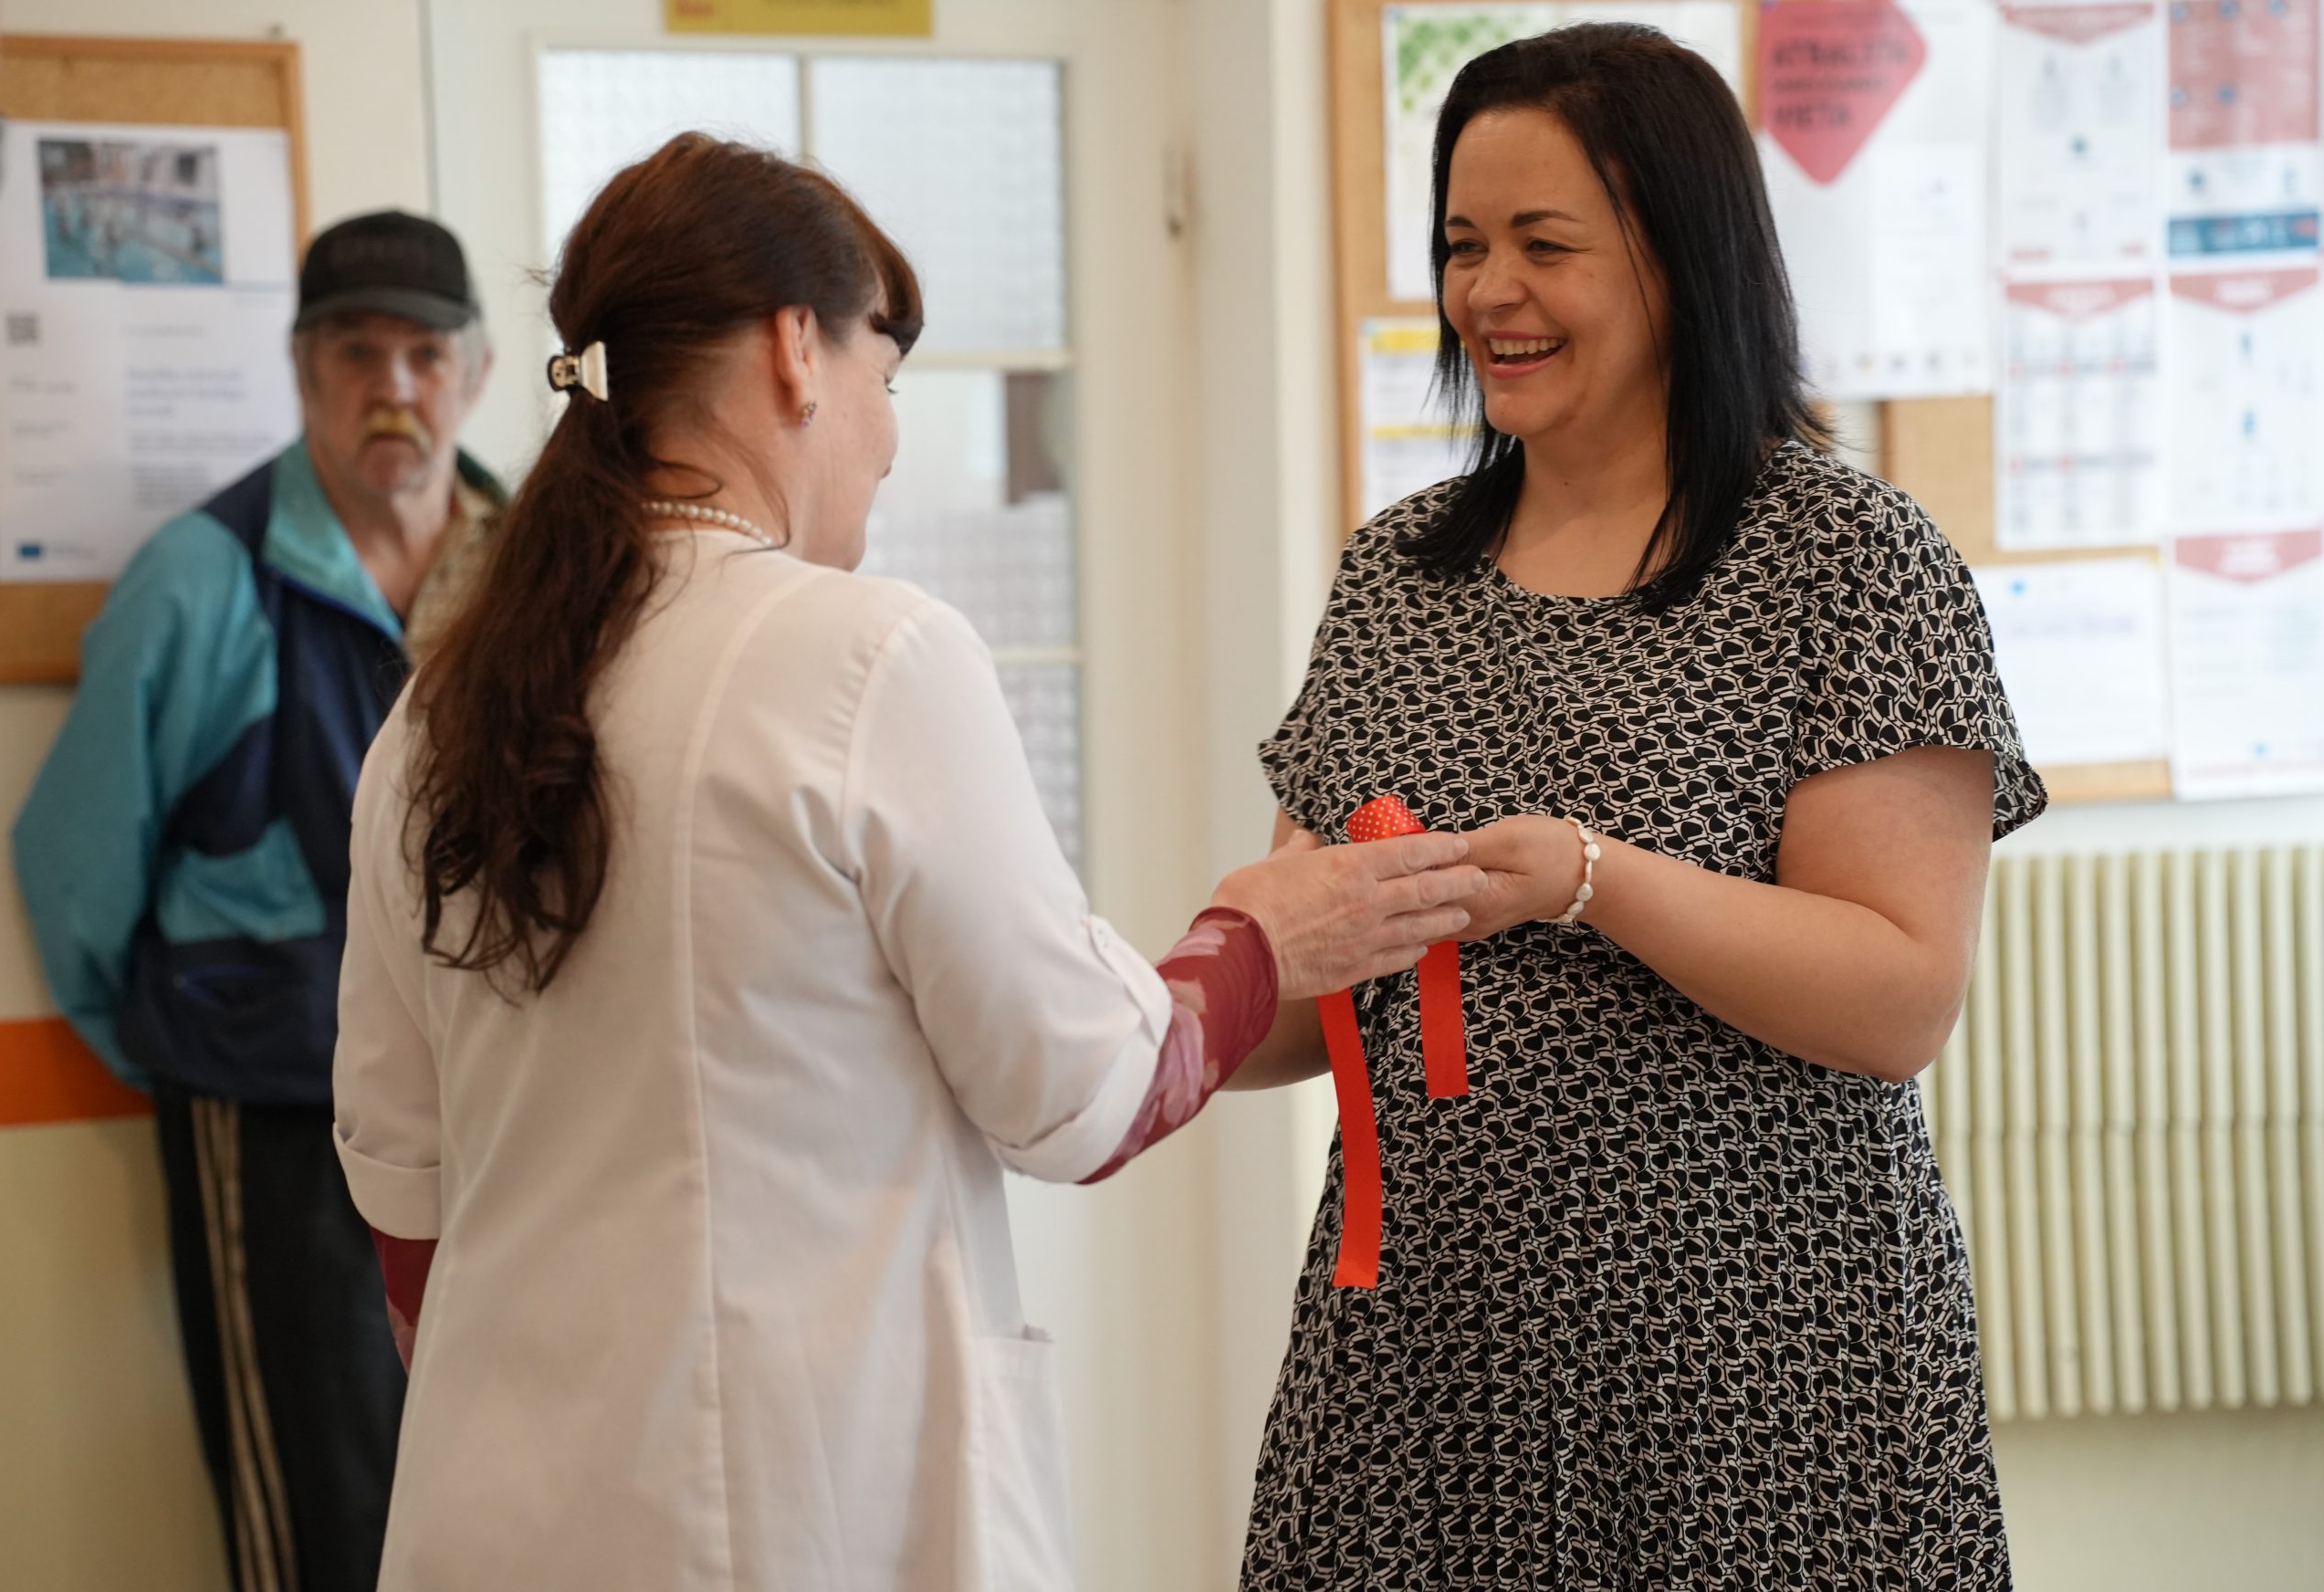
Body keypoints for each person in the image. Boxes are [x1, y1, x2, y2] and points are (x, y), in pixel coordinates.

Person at [329, 132, 1484, 1592]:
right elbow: (1078, 1095)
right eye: (886, 374)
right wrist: (1258, 936)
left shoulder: (438, 708)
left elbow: (404, 1203)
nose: (886, 437)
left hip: (495, 1512)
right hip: (796, 1513)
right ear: (795, 352)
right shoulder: (868, 656)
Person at [1230, 26, 2044, 1588]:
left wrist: (1589, 878)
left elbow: (1899, 998)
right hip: (1432, 1368)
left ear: (1681, 257)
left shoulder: (1848, 561)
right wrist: (1208, 969)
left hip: (1767, 1370)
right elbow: (1293, 1016)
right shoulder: (1396, 575)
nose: (1489, 292)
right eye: (1463, 245)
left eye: (1546, 245)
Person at [13, 210, 502, 1592]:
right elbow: (73, 866)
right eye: (356, 352)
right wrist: (199, 1040)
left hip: (507, 1119)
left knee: (508, 1500)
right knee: (325, 1524)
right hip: (281, 1129)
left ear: (473, 372)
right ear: (300, 369)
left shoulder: (538, 568)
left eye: (424, 354)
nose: (393, 386)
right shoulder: (200, 579)